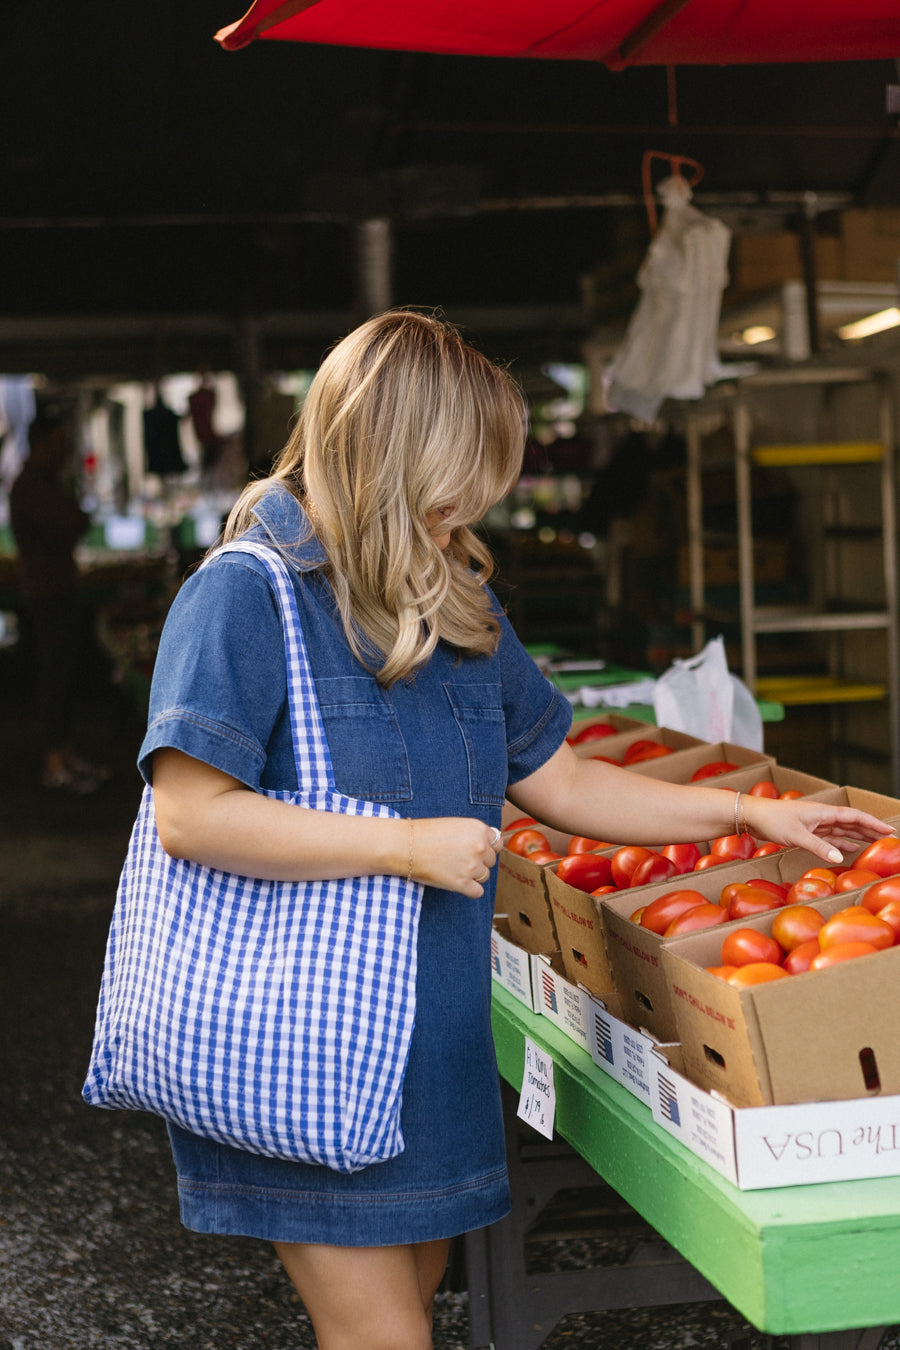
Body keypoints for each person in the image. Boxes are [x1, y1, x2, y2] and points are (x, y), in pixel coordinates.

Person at [140, 309, 891, 1350]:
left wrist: (748, 810)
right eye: (458, 488)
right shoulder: (243, 598)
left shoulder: (453, 603)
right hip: (308, 1045)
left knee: (409, 1308)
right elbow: (190, 816)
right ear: (396, 459)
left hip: (433, 1051)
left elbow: (567, 781)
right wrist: (407, 848)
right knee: (384, 1337)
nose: (468, 515)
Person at [9, 407, 108, 792]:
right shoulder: (32, 486)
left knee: (63, 677)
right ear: (43, 444)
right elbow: (71, 523)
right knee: (54, 678)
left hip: (57, 591)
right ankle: (55, 761)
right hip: (47, 595)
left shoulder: (44, 483)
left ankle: (64, 754)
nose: (66, 452)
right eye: (60, 444)